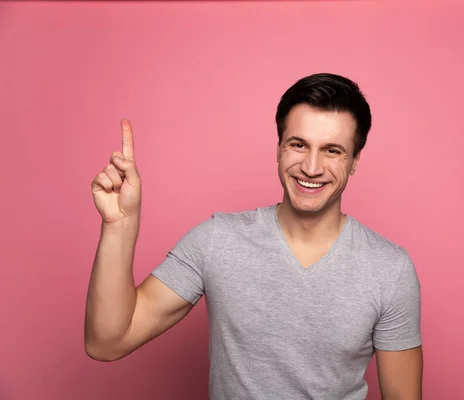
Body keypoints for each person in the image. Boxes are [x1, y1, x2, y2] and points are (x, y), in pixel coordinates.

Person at [85, 73, 423, 399]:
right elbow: (107, 342)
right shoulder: (217, 241)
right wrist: (120, 225)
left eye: (332, 151)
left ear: (354, 161)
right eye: (298, 145)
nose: (311, 167)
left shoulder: (389, 270)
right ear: (278, 148)